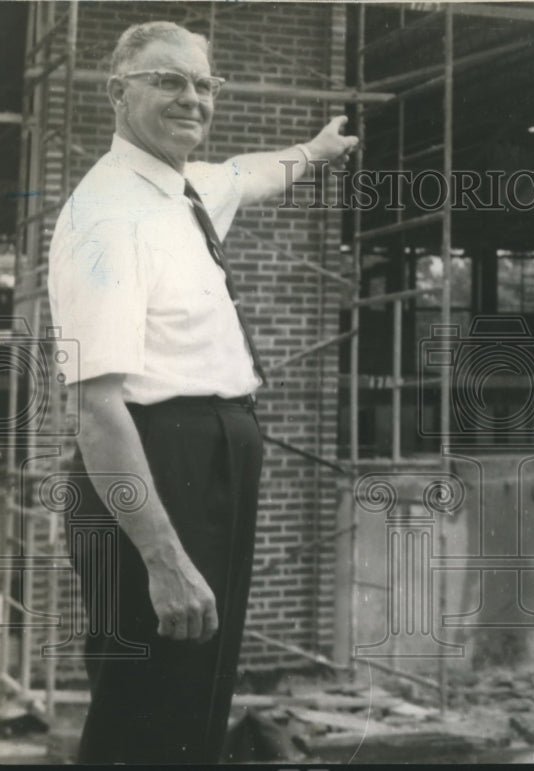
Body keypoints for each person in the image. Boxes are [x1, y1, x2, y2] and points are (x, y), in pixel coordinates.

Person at [47, 21, 357, 763]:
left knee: (196, 692)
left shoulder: (185, 186)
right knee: (149, 701)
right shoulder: (107, 215)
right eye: (169, 81)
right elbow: (94, 410)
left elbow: (248, 171)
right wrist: (163, 558)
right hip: (150, 460)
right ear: (118, 92)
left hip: (209, 455)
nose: (193, 98)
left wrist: (313, 151)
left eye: (205, 84)